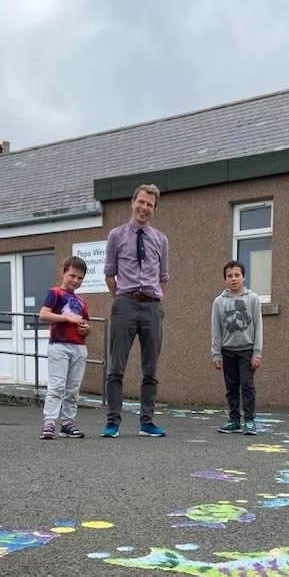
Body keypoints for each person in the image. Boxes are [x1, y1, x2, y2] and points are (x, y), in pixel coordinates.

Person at [101, 183, 169, 438]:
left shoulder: (160, 239)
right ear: (133, 202)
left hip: (151, 307)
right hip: (125, 304)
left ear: (153, 209)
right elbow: (110, 274)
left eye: (150, 204)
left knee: (150, 369)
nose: (144, 208)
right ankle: (112, 422)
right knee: (116, 367)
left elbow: (163, 277)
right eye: (141, 202)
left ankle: (147, 422)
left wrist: (151, 298)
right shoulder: (116, 236)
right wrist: (123, 298)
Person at [38, 255, 90, 440]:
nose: (75, 280)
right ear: (64, 273)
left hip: (78, 347)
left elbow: (84, 327)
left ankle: (67, 423)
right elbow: (44, 314)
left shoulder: (82, 302)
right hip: (59, 346)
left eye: (80, 278)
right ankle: (49, 422)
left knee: (73, 388)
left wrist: (85, 329)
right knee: (57, 386)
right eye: (72, 275)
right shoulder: (55, 293)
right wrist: (67, 318)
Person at [211, 260, 263, 435]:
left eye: (237, 275)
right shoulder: (219, 302)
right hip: (227, 350)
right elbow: (216, 328)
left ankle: (249, 421)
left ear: (244, 277)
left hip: (247, 350)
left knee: (247, 385)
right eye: (229, 276)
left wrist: (257, 352)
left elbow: (258, 326)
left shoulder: (253, 299)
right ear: (225, 279)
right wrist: (216, 354)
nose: (233, 279)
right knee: (231, 386)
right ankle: (234, 420)